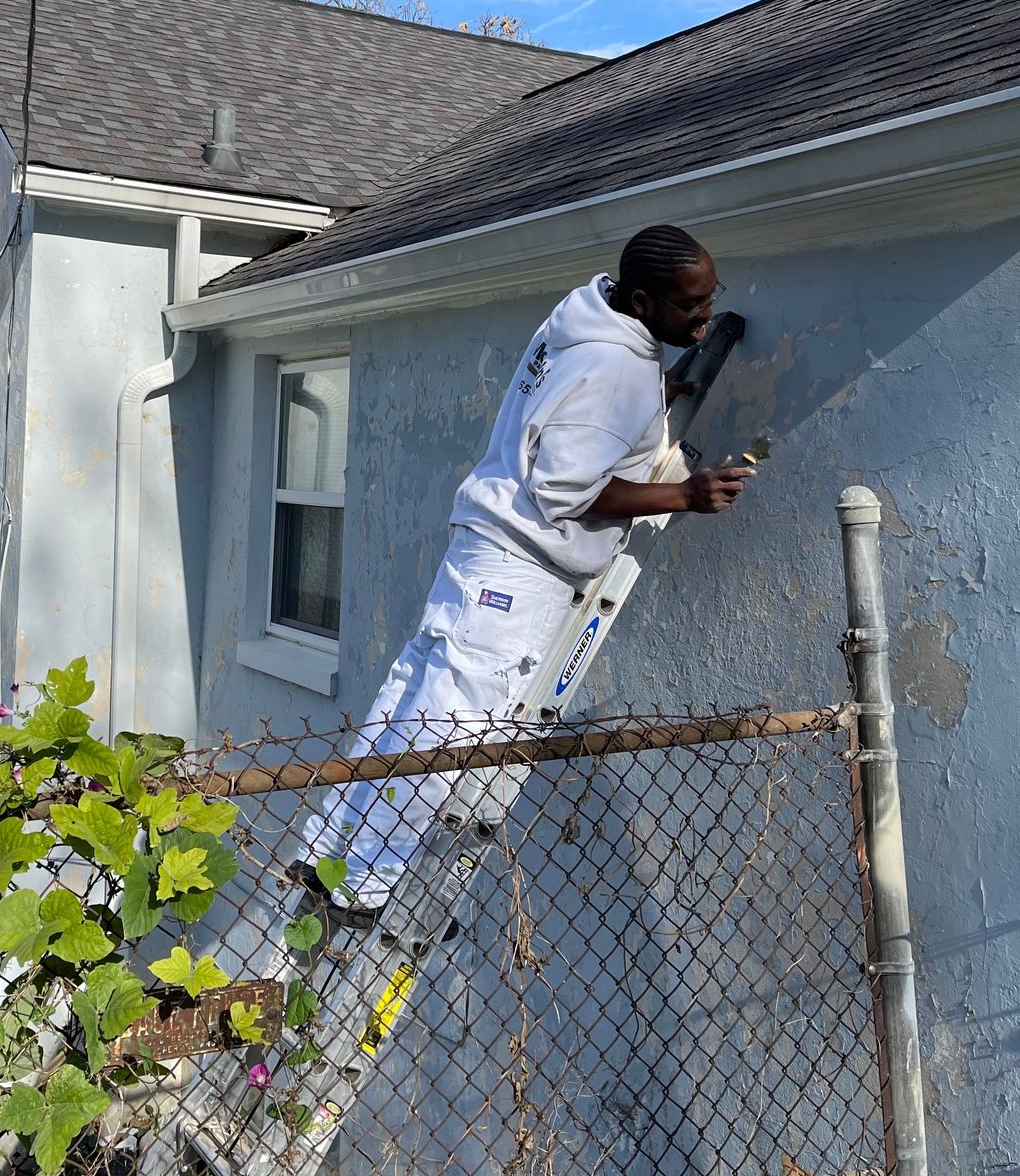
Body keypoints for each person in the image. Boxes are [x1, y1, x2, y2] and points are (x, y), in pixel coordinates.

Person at [293, 224, 755, 911]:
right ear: (641, 301)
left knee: (409, 697)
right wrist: (684, 495)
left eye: (711, 298)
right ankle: (362, 883)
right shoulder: (617, 371)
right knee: (451, 729)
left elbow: (570, 401)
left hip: (483, 547)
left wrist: (651, 394)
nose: (705, 317)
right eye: (691, 305)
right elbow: (564, 492)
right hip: (519, 570)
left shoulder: (583, 315)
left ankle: (324, 847)